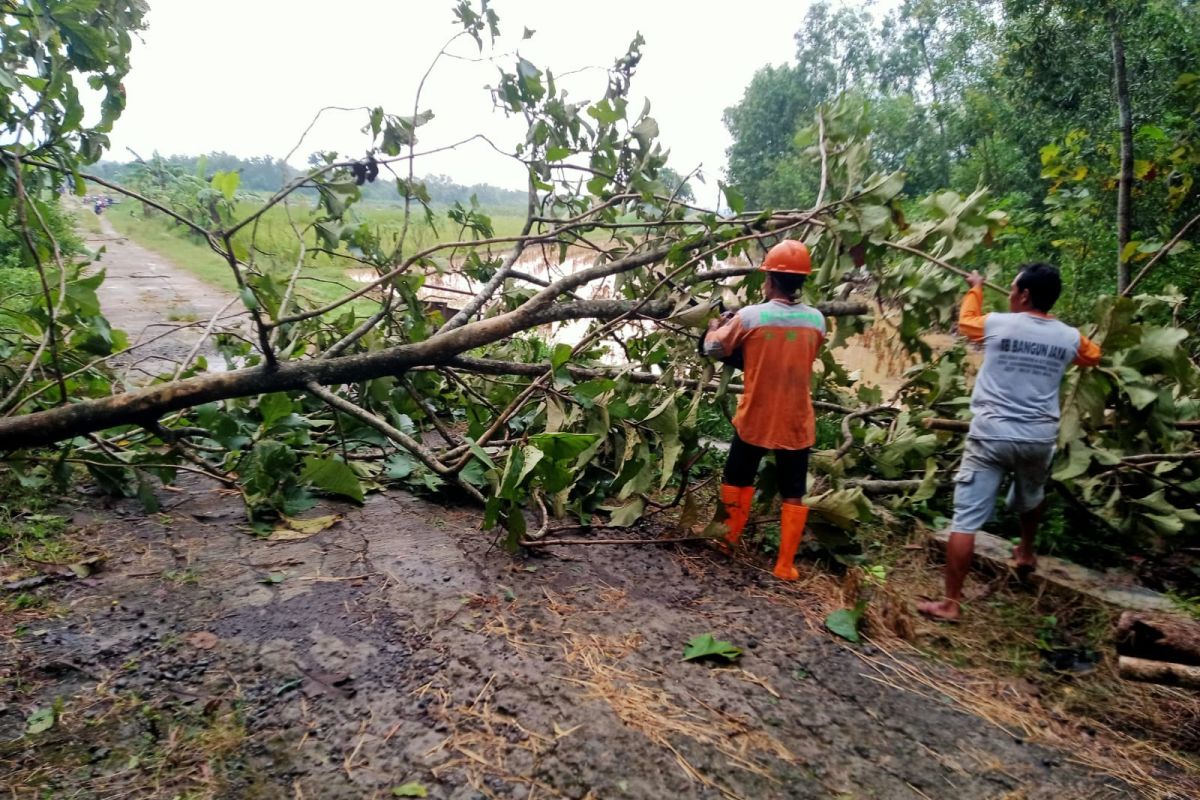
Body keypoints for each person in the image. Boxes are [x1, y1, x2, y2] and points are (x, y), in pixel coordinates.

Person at [918, 263, 1102, 621]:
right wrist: (1054, 330)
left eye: (1016, 289)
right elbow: (1092, 356)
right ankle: (1026, 551)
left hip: (991, 436)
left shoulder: (998, 323)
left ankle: (951, 603)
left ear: (1025, 295)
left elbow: (966, 323)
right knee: (1032, 495)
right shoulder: (1068, 335)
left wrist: (976, 286)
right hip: (1039, 437)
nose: (1013, 294)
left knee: (965, 520)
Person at [701, 239, 826, 581]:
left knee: (738, 477)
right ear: (802, 281)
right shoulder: (817, 321)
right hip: (796, 420)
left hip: (756, 415)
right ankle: (785, 565)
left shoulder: (751, 316)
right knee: (793, 490)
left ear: (769, 279)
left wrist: (716, 326)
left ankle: (727, 542)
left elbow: (713, 349)